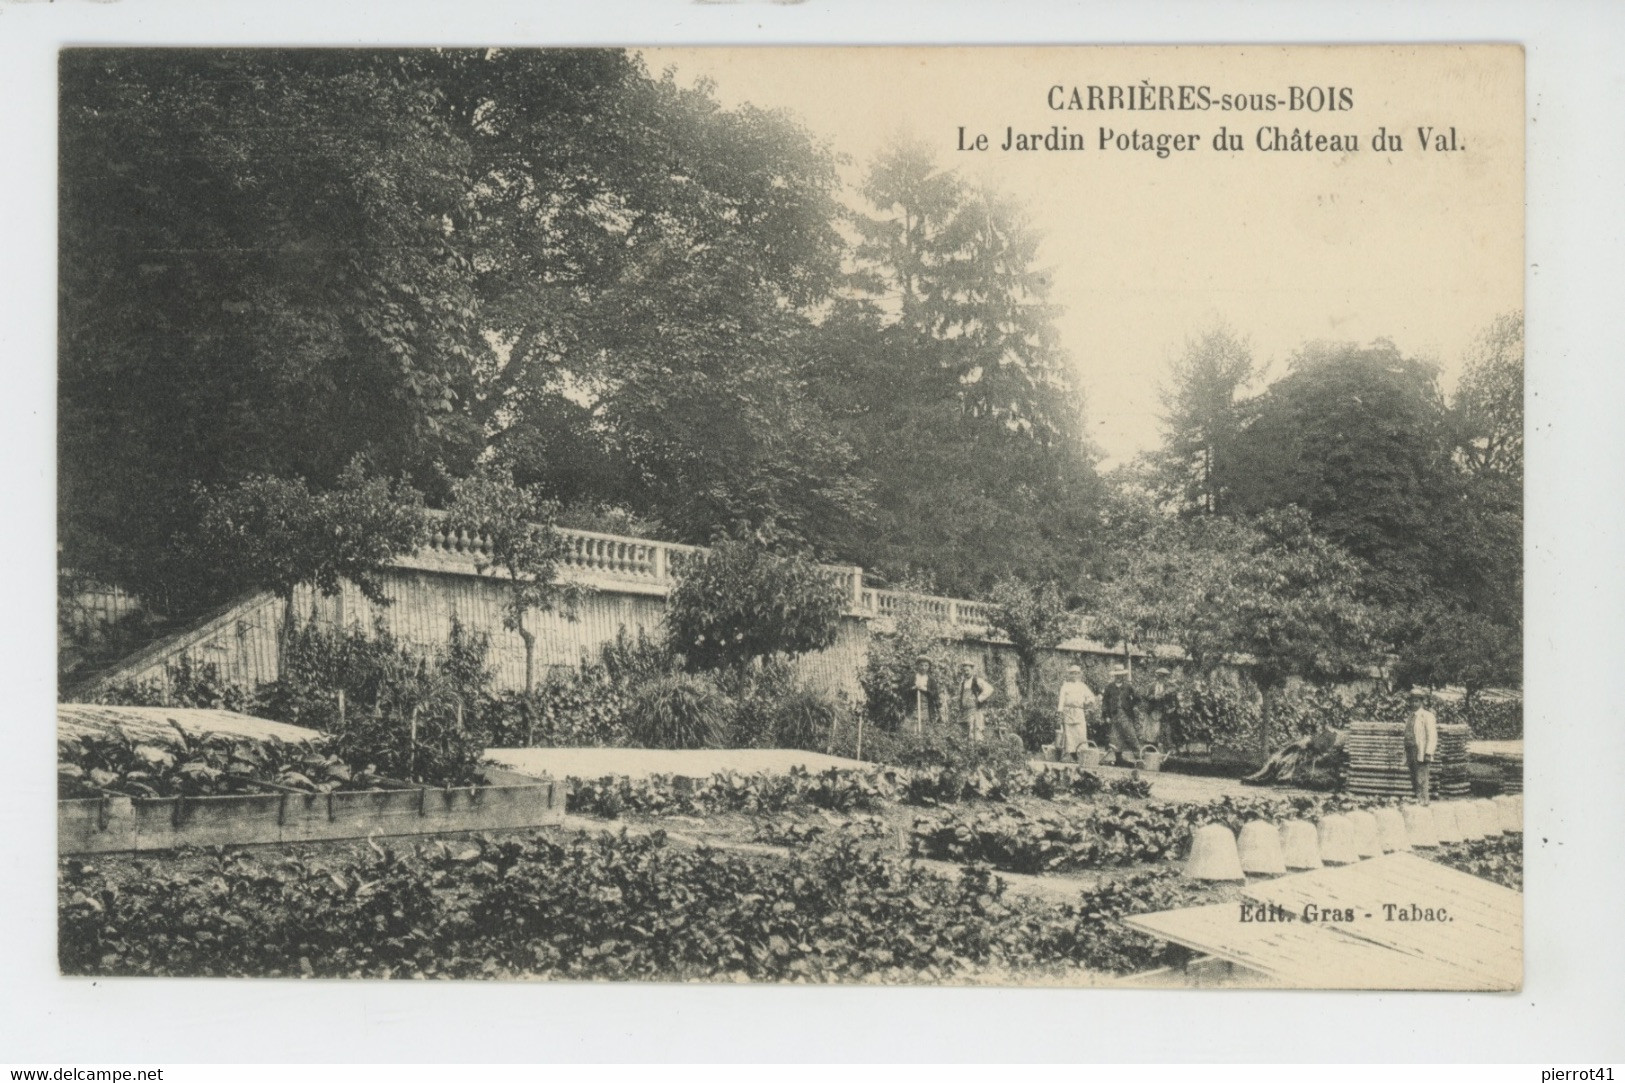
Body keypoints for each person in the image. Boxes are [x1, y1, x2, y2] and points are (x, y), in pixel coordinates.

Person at [1404, 687, 1439, 804]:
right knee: (1413, 777)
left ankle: (1424, 802)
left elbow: (1432, 736)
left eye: (1416, 701)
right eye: (1412, 701)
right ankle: (1418, 799)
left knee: (1421, 778)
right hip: (1411, 750)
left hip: (1421, 751)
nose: (1414, 704)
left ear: (1421, 702)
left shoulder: (1427, 716)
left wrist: (1429, 752)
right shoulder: (1410, 717)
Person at [1055, 663, 1097, 759]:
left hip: (1079, 712)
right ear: (1069, 675)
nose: (1074, 675)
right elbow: (1061, 700)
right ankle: (1072, 753)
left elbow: (1091, 697)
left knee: (1080, 732)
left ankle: (1081, 752)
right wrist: (1060, 711)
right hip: (1068, 712)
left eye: (1077, 673)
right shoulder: (1065, 686)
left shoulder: (1082, 686)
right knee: (1069, 734)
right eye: (1072, 673)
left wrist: (1088, 701)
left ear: (1079, 675)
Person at [1102, 665, 1141, 762]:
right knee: (1115, 736)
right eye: (1117, 675)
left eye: (1120, 675)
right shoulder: (1109, 687)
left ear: (1123, 676)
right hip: (1114, 715)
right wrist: (1106, 715)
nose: (1118, 677)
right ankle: (1118, 759)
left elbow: (1137, 698)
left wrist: (1131, 705)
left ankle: (1139, 758)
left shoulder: (1128, 686)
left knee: (1131, 734)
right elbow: (1105, 702)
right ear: (1114, 676)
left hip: (1125, 714)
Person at [955, 661, 995, 742]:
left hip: (974, 711)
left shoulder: (977, 681)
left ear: (972, 670)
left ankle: (977, 750)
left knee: (975, 732)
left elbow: (990, 689)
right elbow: (960, 695)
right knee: (964, 732)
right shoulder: (963, 683)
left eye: (967, 670)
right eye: (964, 671)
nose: (966, 672)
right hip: (964, 712)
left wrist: (979, 699)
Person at [908, 654, 942, 736]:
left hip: (926, 707)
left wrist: (926, 690)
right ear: (917, 666)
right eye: (921, 665)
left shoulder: (931, 679)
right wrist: (914, 688)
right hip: (914, 705)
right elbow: (905, 691)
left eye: (926, 665)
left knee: (925, 725)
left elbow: (935, 694)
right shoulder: (912, 677)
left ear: (929, 667)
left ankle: (924, 743)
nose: (923, 668)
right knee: (913, 725)